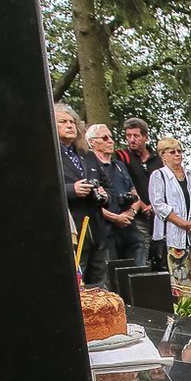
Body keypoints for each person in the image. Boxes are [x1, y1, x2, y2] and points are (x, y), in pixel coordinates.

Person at [56, 102, 109, 285]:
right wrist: (72, 190)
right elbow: (43, 191)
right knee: (78, 283)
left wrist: (104, 194)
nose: (70, 125)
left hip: (97, 228)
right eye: (63, 121)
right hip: (71, 230)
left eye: (72, 122)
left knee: (100, 284)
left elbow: (106, 184)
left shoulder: (87, 154)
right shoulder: (49, 155)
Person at [148, 136, 191, 291]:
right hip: (174, 238)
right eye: (172, 152)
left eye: (179, 151)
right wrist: (183, 223)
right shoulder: (159, 175)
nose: (177, 154)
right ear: (163, 155)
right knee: (181, 284)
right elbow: (158, 205)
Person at [84, 122, 147, 270]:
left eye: (111, 137)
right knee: (112, 275)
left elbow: (135, 196)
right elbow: (89, 204)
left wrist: (129, 213)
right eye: (104, 138)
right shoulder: (87, 167)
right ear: (92, 142)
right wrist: (115, 218)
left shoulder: (119, 165)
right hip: (106, 231)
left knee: (139, 265)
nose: (110, 141)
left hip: (129, 227)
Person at [119, 117, 159, 265]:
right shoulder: (122, 157)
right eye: (128, 136)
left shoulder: (158, 159)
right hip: (136, 214)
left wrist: (156, 206)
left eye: (136, 135)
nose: (132, 139)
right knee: (142, 248)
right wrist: (143, 206)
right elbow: (126, 185)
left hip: (159, 214)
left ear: (146, 136)